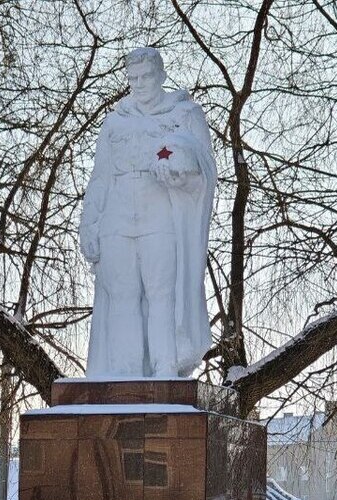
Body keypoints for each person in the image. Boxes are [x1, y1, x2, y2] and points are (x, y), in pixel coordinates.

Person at [79, 46, 216, 377]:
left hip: (160, 216)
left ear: (161, 75)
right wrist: (89, 225)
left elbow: (204, 168)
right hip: (117, 216)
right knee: (122, 294)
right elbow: (100, 177)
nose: (139, 84)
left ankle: (165, 369)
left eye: (146, 77)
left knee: (161, 294)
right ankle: (124, 375)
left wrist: (180, 170)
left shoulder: (183, 114)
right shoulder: (115, 122)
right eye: (133, 78)